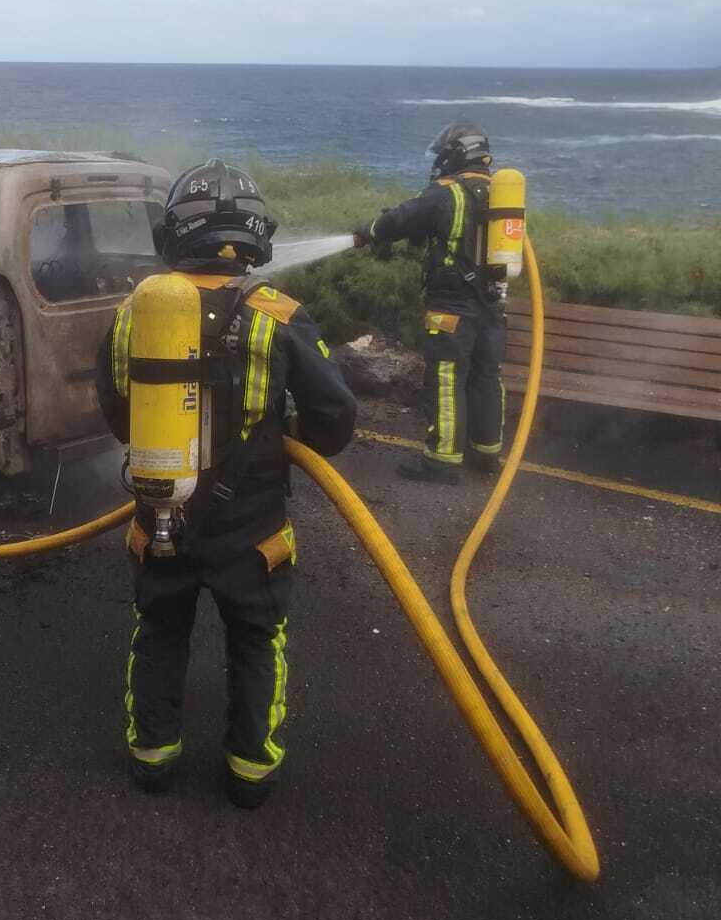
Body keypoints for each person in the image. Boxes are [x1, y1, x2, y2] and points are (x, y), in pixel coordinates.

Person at [95, 160, 356, 810]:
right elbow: (335, 418)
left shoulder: (134, 313)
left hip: (161, 513)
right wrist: (290, 437)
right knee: (255, 640)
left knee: (160, 631)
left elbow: (117, 411)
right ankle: (249, 772)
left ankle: (153, 759)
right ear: (256, 234)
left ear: (173, 235)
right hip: (252, 530)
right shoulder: (278, 316)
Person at [353, 121, 506, 485]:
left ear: (456, 155)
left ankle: (442, 462)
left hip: (453, 306)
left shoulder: (446, 192)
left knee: (446, 380)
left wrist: (368, 232)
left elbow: (400, 220)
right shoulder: (499, 195)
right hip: (492, 306)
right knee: (486, 377)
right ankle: (486, 454)